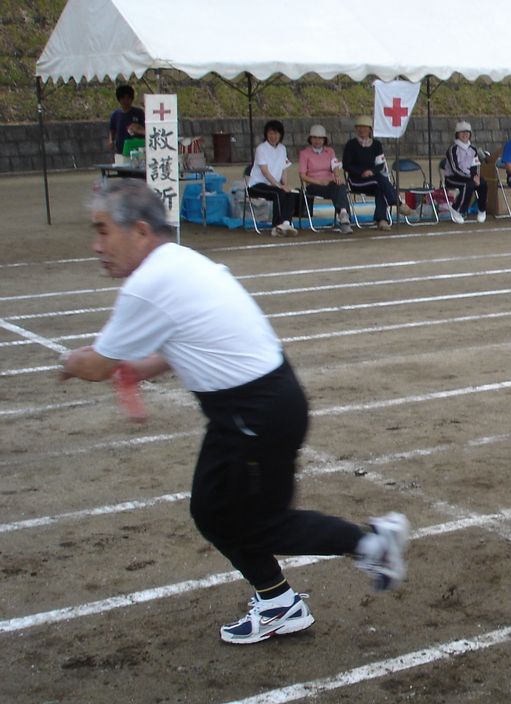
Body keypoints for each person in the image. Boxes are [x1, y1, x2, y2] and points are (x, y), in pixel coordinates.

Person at [59, 180, 411, 645]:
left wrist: (65, 361)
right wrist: (140, 370)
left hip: (254, 412)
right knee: (213, 510)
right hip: (255, 408)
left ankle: (370, 543)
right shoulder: (180, 262)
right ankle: (279, 601)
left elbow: (96, 364)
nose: (96, 244)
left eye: (103, 231)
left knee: (256, 522)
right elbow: (183, 342)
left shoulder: (150, 283)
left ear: (140, 231)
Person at [342, 115, 400, 230]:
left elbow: (380, 164)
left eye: (365, 127)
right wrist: (361, 172)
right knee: (381, 182)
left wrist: (371, 171)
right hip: (356, 180)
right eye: (359, 127)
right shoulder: (351, 145)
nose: (362, 130)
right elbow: (346, 165)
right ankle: (397, 202)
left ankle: (381, 219)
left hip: (373, 179)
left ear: (370, 129)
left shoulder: (376, 145)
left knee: (380, 185)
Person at [247, 119, 300, 237]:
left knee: (291, 193)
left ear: (280, 135)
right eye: (270, 133)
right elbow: (265, 172)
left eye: (276, 133)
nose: (273, 136)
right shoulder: (261, 149)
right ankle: (276, 225)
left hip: (274, 185)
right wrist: (279, 186)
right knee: (279, 193)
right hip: (257, 185)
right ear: (266, 134)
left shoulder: (282, 148)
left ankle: (286, 223)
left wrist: (285, 185)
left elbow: (284, 169)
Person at [298, 124, 353, 234]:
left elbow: (335, 166)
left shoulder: (330, 151)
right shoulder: (304, 153)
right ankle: (344, 216)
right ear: (310, 139)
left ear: (324, 140)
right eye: (314, 138)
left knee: (340, 184)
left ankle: (343, 214)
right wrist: (319, 182)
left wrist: (337, 176)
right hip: (314, 184)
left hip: (330, 183)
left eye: (320, 138)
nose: (317, 141)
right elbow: (302, 175)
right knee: (338, 188)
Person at [442, 120, 488, 224]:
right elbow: (455, 168)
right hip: (453, 178)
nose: (465, 134)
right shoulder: (452, 149)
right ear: (457, 134)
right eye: (462, 132)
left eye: (467, 132)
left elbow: (475, 165)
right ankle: (457, 209)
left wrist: (476, 176)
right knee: (469, 184)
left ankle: (482, 209)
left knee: (483, 183)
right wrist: (471, 178)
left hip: (469, 177)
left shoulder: (473, 149)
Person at [108, 85, 145, 156]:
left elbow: (146, 130)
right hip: (120, 149)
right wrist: (111, 141)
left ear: (132, 99)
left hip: (136, 150)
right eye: (123, 98)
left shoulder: (139, 113)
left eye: (128, 98)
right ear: (119, 99)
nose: (126, 101)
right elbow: (112, 129)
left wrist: (138, 129)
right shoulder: (115, 114)